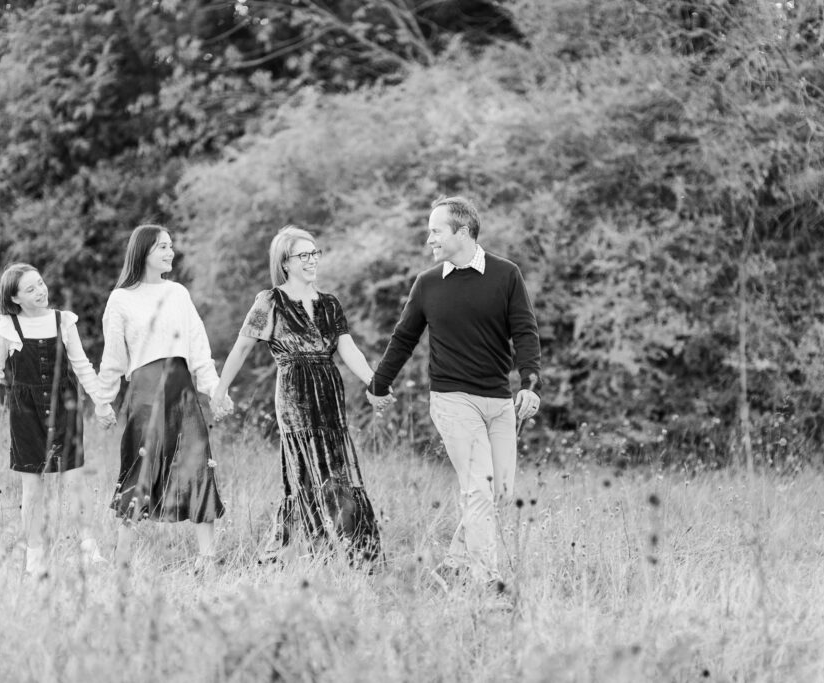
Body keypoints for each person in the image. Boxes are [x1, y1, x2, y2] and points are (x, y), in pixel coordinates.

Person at [367, 195, 542, 589]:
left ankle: (454, 563)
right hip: (451, 399)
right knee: (478, 486)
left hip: (498, 401)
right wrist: (379, 383)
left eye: (435, 230)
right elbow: (403, 338)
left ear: (462, 232)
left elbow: (525, 332)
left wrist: (530, 383)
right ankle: (486, 581)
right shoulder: (427, 284)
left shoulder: (506, 274)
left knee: (500, 491)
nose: (429, 238)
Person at [213, 225, 382, 566]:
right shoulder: (269, 301)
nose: (311, 260)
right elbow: (243, 345)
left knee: (337, 472)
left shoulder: (330, 304)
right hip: (294, 395)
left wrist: (375, 383)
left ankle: (355, 554)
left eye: (314, 253)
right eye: (303, 255)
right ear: (285, 262)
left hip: (330, 394)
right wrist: (221, 388)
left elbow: (349, 351)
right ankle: (304, 553)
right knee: (304, 473)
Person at [97, 224, 225, 570]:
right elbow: (114, 357)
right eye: (162, 247)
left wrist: (214, 389)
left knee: (198, 464)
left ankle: (207, 558)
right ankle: (122, 558)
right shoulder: (121, 299)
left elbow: (198, 345)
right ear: (143, 253)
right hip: (145, 392)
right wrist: (103, 400)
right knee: (140, 467)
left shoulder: (178, 293)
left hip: (182, 391)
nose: (170, 252)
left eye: (171, 246)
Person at [0, 263, 113, 575]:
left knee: (75, 481)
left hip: (64, 406)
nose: (40, 291)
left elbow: (82, 365)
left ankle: (89, 549)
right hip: (25, 414)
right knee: (32, 488)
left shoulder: (63, 321)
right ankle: (35, 557)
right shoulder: (7, 327)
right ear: (15, 299)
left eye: (40, 284)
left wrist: (102, 404)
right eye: (30, 289)